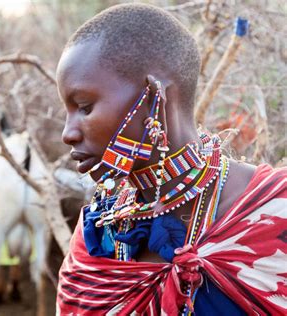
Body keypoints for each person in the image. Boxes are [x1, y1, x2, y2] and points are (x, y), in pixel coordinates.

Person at [56, 3, 286, 315]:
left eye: (84, 107)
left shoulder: (272, 212)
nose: (68, 133)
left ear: (154, 96)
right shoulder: (95, 238)